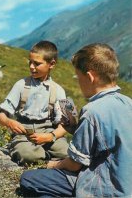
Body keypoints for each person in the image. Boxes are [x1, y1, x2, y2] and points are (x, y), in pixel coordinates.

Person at [20, 43, 132, 197]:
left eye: (79, 78)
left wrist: (52, 164)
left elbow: (74, 165)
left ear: (90, 77)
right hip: (126, 182)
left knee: (28, 179)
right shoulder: (128, 102)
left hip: (104, 186)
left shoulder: (92, 111)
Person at [0, 40, 69, 165]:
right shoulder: (20, 85)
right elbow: (0, 115)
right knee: (28, 154)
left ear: (51, 64)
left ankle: (43, 157)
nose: (31, 66)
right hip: (23, 135)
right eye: (30, 62)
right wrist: (9, 122)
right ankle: (43, 158)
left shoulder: (59, 90)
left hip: (49, 133)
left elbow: (66, 124)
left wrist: (50, 136)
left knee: (67, 152)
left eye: (37, 64)